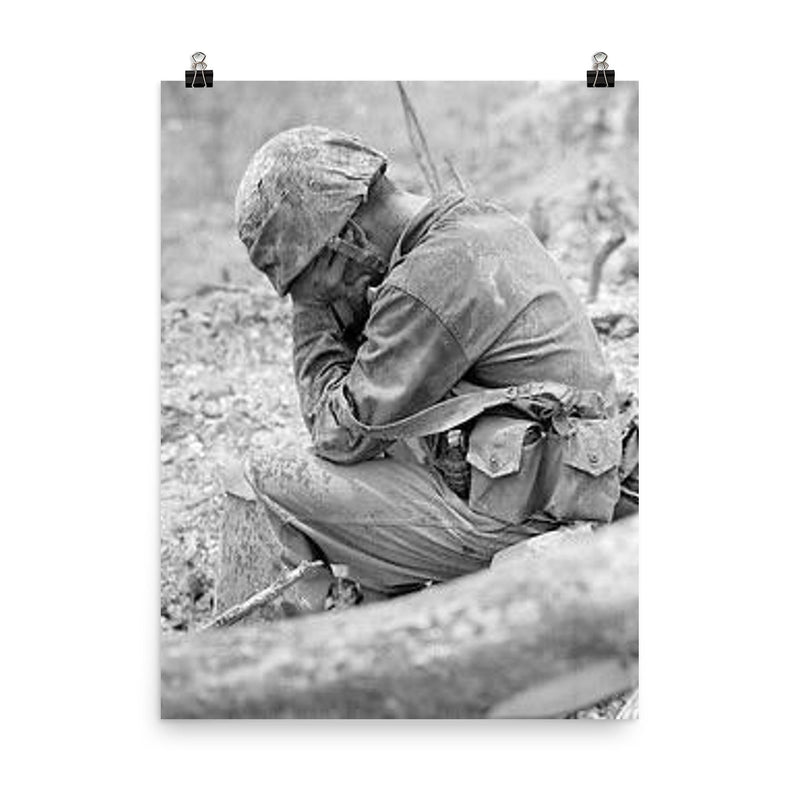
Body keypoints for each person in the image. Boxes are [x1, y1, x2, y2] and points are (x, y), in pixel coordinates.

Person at [231, 125, 638, 613]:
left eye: (313, 283)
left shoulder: (428, 280)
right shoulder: (471, 224)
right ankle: (379, 610)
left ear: (352, 237)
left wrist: (313, 317)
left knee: (258, 480)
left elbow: (335, 434)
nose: (320, 298)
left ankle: (257, 668)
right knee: (394, 431)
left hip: (533, 512)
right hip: (563, 483)